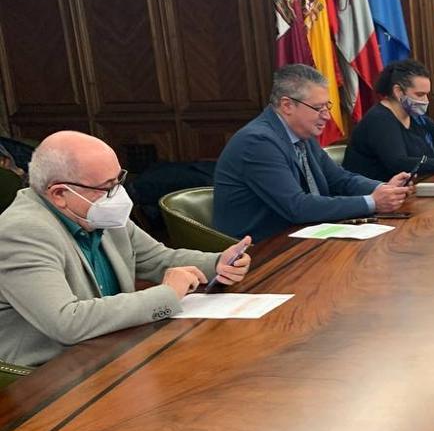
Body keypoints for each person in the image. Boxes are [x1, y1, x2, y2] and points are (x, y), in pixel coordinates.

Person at [0, 131, 252, 367]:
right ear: (59, 194)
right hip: (49, 375)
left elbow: (157, 258)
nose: (118, 195)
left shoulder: (94, 212)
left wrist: (218, 263)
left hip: (112, 349)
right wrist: (166, 295)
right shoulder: (21, 233)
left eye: (118, 180)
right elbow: (67, 322)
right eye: (107, 187)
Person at [214, 64, 411, 241]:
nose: (326, 116)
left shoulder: (301, 134)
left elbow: (340, 179)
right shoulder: (257, 142)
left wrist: (384, 189)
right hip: (260, 251)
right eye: (318, 108)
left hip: (302, 237)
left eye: (327, 106)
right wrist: (372, 202)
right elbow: (297, 206)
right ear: (287, 105)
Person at [344, 60, 434, 181]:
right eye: (420, 95)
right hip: (379, 203)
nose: (425, 101)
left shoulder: (417, 118)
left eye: (426, 95)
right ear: (398, 91)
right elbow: (399, 164)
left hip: (414, 192)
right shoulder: (379, 119)